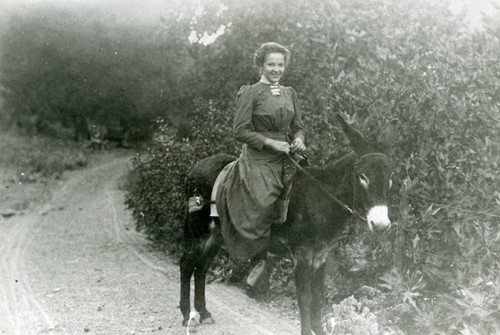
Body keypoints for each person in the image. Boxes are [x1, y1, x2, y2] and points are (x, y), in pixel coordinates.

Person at [216, 42, 306, 292]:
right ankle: (257, 260)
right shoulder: (251, 92)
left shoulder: (290, 93)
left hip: (287, 157)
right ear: (261, 65)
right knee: (263, 203)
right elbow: (240, 130)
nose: (276, 69)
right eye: (271, 64)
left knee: (307, 196)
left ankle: (302, 255)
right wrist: (270, 144)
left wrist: (298, 139)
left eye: (280, 65)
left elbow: (298, 126)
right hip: (258, 159)